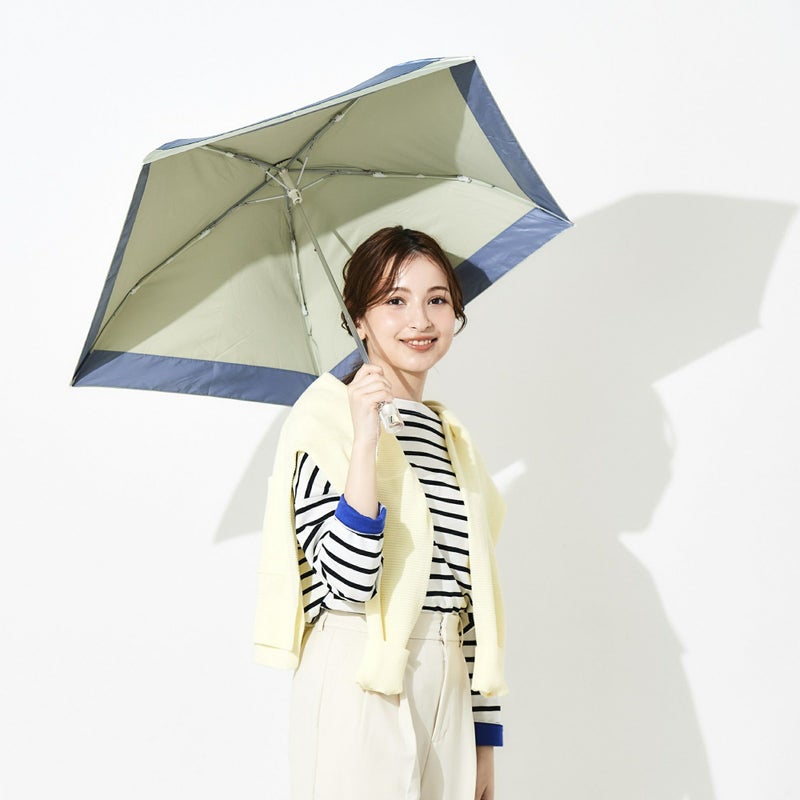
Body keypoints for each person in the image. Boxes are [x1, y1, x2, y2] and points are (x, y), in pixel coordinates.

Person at [253, 226, 508, 800]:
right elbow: (347, 585)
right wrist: (365, 439)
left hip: (449, 684)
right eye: (395, 299)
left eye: (437, 299)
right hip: (358, 673)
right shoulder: (324, 421)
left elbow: (471, 603)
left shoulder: (450, 438)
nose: (420, 319)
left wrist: (483, 742)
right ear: (359, 319)